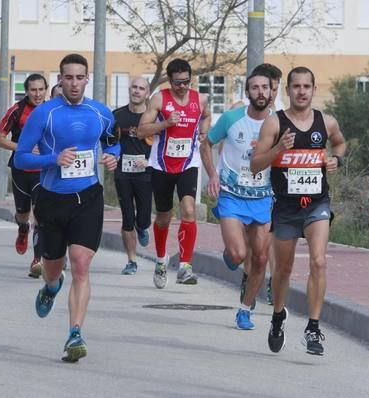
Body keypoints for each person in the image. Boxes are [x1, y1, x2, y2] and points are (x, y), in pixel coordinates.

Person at [15, 53, 119, 363]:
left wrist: (113, 156)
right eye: (68, 78)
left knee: (81, 264)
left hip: (87, 197)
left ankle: (75, 333)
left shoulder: (100, 113)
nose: (74, 83)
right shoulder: (44, 114)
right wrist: (52, 158)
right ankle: (51, 286)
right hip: (52, 199)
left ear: (88, 79)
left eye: (79, 77)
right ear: (60, 80)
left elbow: (113, 142)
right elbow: (21, 157)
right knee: (53, 268)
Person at [251, 66, 346, 356]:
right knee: (284, 269)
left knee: (319, 261)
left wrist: (336, 160)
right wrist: (278, 148)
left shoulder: (326, 122)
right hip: (286, 207)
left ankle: (313, 327)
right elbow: (256, 165)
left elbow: (341, 143)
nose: (301, 91)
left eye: (307, 86)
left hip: (316, 203)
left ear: (314, 90)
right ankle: (278, 316)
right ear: (288, 90)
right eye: (296, 86)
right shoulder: (273, 123)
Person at [200, 72, 274, 330]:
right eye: (255, 88)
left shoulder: (277, 123)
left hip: (262, 196)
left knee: (262, 257)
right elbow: (206, 143)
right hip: (231, 194)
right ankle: (231, 256)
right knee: (239, 253)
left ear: (272, 91)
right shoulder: (232, 119)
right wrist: (212, 175)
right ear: (248, 93)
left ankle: (245, 309)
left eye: (265, 87)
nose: (261, 92)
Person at [137, 58, 211, 288]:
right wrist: (165, 124)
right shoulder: (159, 98)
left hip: (188, 163)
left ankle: (185, 266)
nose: (182, 87)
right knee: (163, 216)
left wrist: (203, 132)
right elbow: (141, 131)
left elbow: (206, 116)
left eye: (186, 82)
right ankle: (160, 260)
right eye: (177, 83)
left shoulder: (201, 99)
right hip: (161, 165)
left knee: (188, 210)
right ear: (170, 81)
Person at [234, 63, 283, 306]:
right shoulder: (242, 113)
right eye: (266, 87)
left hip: (275, 184)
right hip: (246, 184)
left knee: (270, 238)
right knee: (250, 242)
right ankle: (247, 276)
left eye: (274, 88)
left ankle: (273, 283)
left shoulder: (282, 115)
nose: (269, 93)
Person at [0, 73, 48, 278]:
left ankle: (37, 260)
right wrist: (23, 148)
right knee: (23, 213)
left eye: (41, 89)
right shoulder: (16, 111)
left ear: (46, 90)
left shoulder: (52, 110)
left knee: (41, 215)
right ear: (26, 91)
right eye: (33, 90)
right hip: (21, 170)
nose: (37, 94)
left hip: (43, 171)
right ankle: (22, 228)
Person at [112, 77, 153, 275]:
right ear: (129, 90)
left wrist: (149, 161)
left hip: (146, 173)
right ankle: (131, 260)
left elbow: (162, 142)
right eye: (134, 87)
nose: (137, 91)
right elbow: (108, 141)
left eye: (141, 88)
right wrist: (111, 156)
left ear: (147, 93)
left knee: (143, 217)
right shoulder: (117, 116)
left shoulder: (153, 117)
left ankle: (142, 226)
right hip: (123, 173)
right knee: (127, 217)